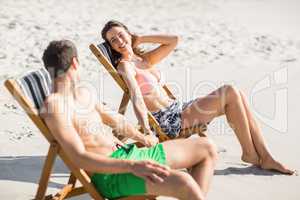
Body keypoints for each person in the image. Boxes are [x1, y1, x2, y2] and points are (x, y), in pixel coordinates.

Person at [100, 20, 295, 175]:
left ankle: (263, 155)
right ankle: (252, 153)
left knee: (238, 94)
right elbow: (137, 98)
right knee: (230, 91)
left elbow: (174, 40)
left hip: (179, 108)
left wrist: (140, 38)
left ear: (128, 32)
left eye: (120, 34)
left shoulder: (144, 59)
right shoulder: (126, 66)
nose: (119, 40)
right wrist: (148, 130)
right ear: (111, 47)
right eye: (113, 40)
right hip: (169, 120)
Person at [40, 40, 218, 200]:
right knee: (184, 182)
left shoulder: (83, 92)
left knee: (206, 147)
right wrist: (132, 165)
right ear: (75, 63)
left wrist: (143, 137)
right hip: (109, 176)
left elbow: (116, 119)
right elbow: (80, 158)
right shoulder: (54, 106)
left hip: (131, 155)